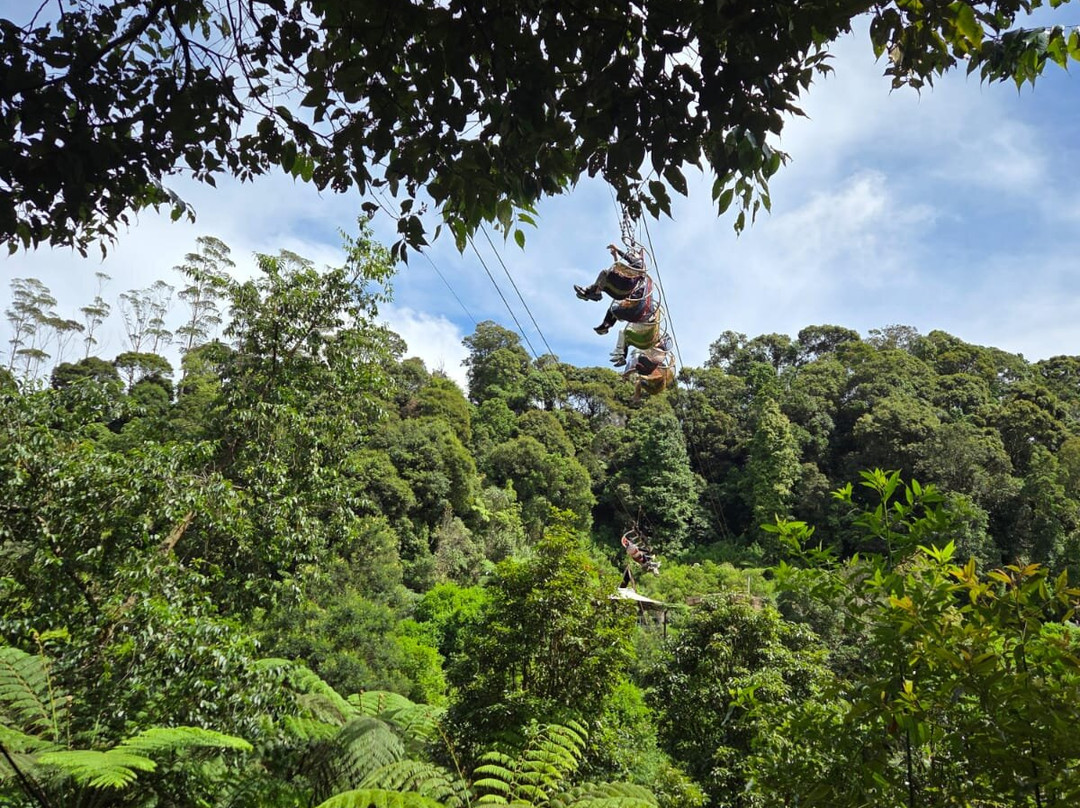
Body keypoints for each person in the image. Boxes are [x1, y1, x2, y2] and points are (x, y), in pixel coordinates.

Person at [573, 243, 647, 302]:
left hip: (624, 287)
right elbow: (617, 270)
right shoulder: (630, 272)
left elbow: (627, 257)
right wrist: (615, 256)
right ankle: (587, 292)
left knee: (605, 273)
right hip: (620, 294)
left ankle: (594, 292)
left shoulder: (639, 263)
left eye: (633, 255)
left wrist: (616, 248)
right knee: (605, 278)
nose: (632, 255)